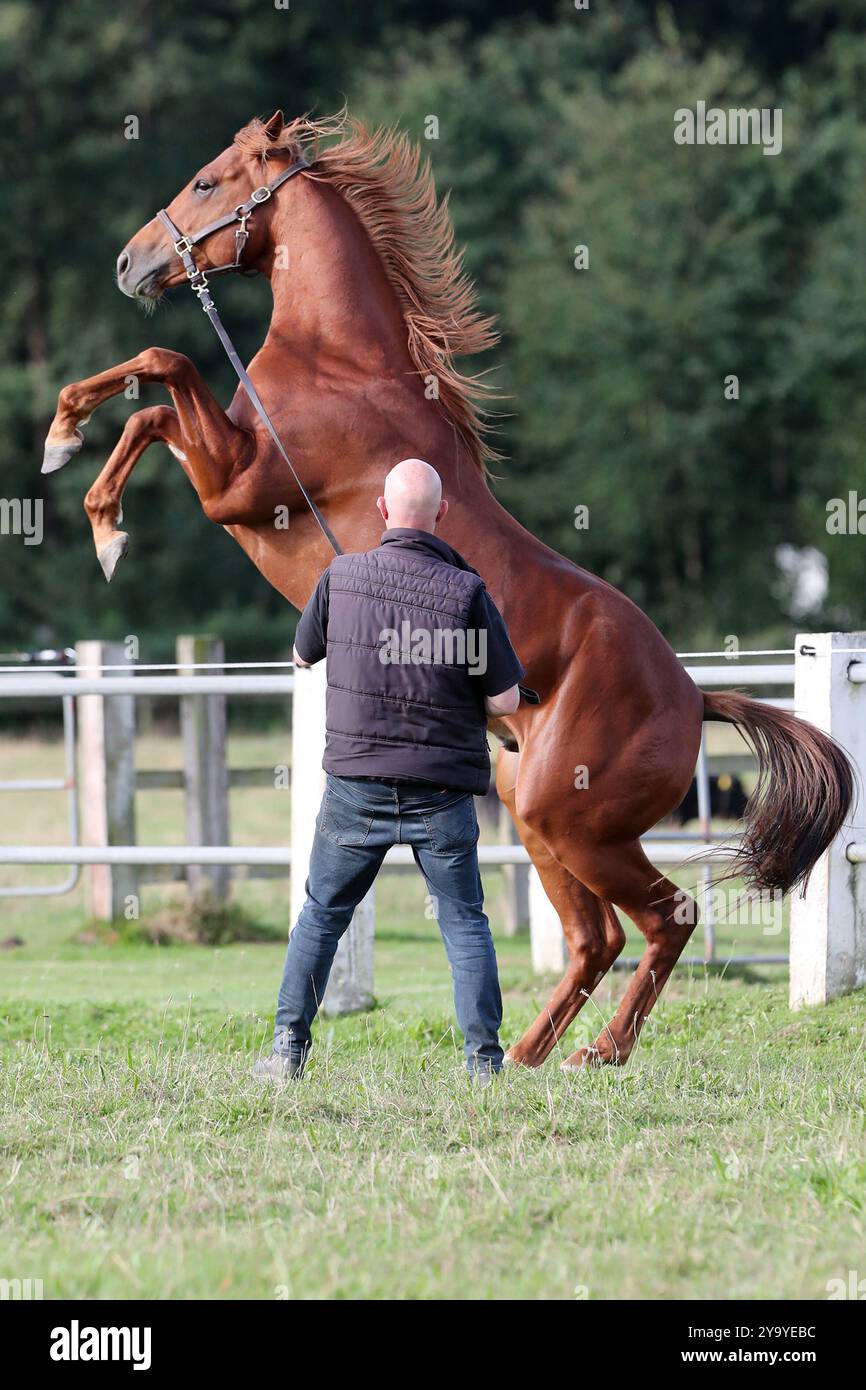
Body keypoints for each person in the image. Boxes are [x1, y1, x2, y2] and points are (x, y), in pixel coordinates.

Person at [253, 458, 524, 1083]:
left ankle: (287, 1054)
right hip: (441, 791)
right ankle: (484, 1064)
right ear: (442, 515)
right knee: (463, 922)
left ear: (381, 511)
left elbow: (301, 655)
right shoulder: (467, 593)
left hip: (356, 786)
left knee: (322, 915)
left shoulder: (340, 576)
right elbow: (507, 701)